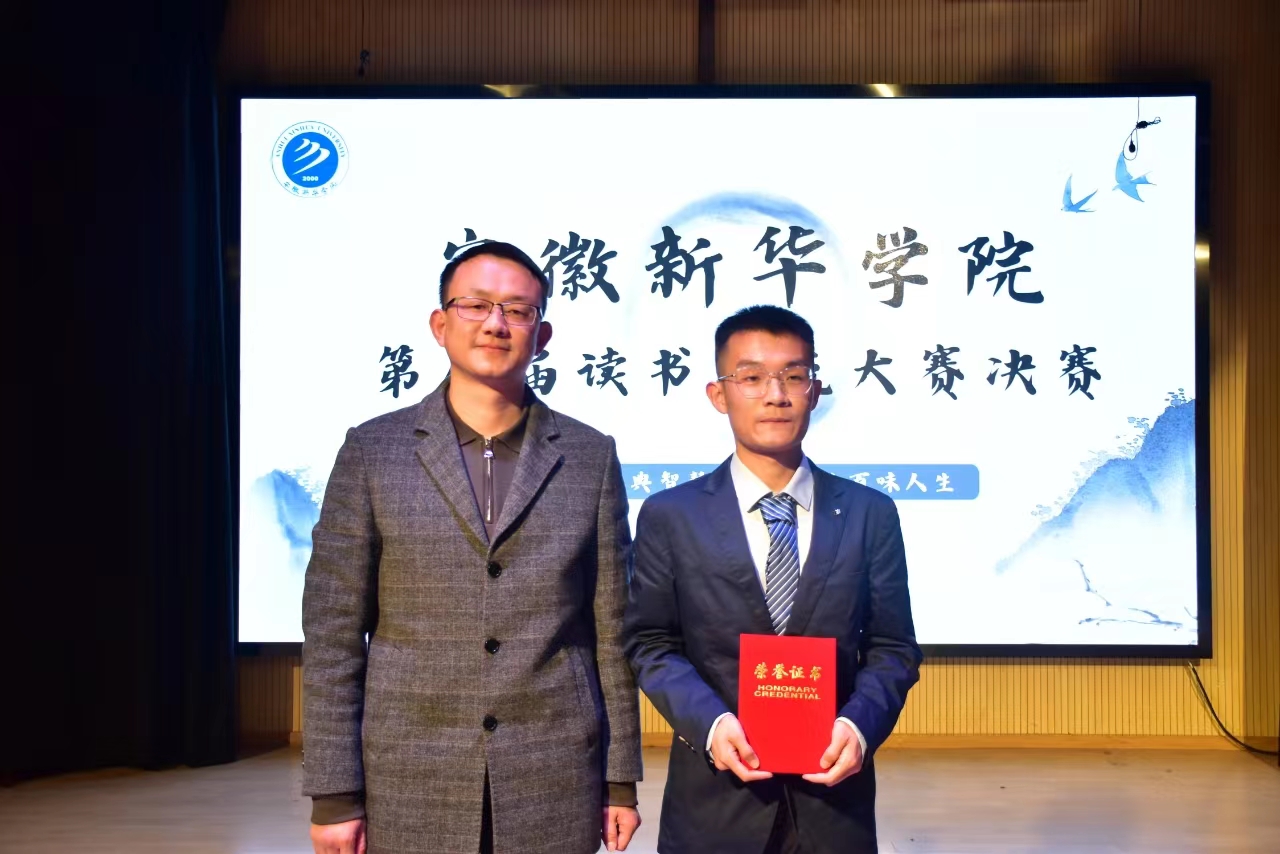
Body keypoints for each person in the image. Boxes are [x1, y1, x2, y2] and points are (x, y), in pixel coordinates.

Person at [302, 241, 643, 854]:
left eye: (517, 310)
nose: (495, 323)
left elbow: (611, 631)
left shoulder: (590, 456)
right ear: (440, 325)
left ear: (542, 335)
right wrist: (334, 793)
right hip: (410, 772)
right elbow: (333, 634)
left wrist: (620, 781)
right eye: (476, 305)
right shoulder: (373, 451)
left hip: (553, 772)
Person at [624, 305, 922, 853]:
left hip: (835, 807)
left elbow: (893, 648)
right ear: (719, 394)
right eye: (752, 377)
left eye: (794, 376)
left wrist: (858, 728)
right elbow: (651, 643)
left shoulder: (869, 513)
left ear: (815, 390)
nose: (775, 395)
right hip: (713, 806)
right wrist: (711, 725)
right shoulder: (672, 515)